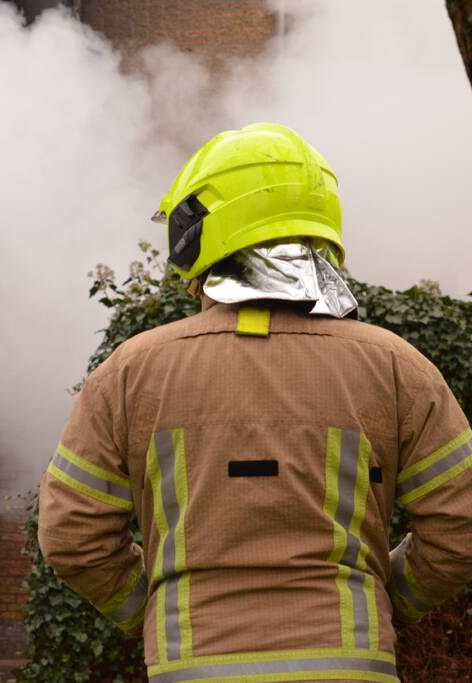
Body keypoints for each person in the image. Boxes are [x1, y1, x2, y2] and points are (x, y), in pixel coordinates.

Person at [37, 122, 472, 683]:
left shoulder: (129, 373)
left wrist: (151, 612)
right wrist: (386, 601)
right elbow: (461, 525)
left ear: (198, 233)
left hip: (192, 668)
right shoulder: (395, 367)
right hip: (352, 665)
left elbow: (71, 536)